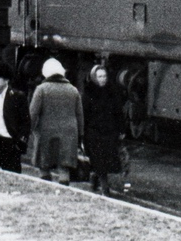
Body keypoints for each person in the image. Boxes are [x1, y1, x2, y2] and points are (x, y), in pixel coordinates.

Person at [30, 58, 84, 184]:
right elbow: (80, 115)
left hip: (46, 132)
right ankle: (64, 188)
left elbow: (33, 113)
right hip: (69, 133)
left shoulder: (41, 89)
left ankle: (46, 187)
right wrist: (81, 135)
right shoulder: (73, 90)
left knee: (44, 165)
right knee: (64, 167)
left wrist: (29, 129)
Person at [82, 64, 127, 195]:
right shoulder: (88, 94)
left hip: (109, 132)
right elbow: (84, 115)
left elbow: (118, 113)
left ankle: (95, 178)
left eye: (104, 76)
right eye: (100, 76)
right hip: (94, 133)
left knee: (103, 161)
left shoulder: (112, 93)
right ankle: (105, 188)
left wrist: (121, 130)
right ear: (94, 77)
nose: (103, 79)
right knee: (100, 160)